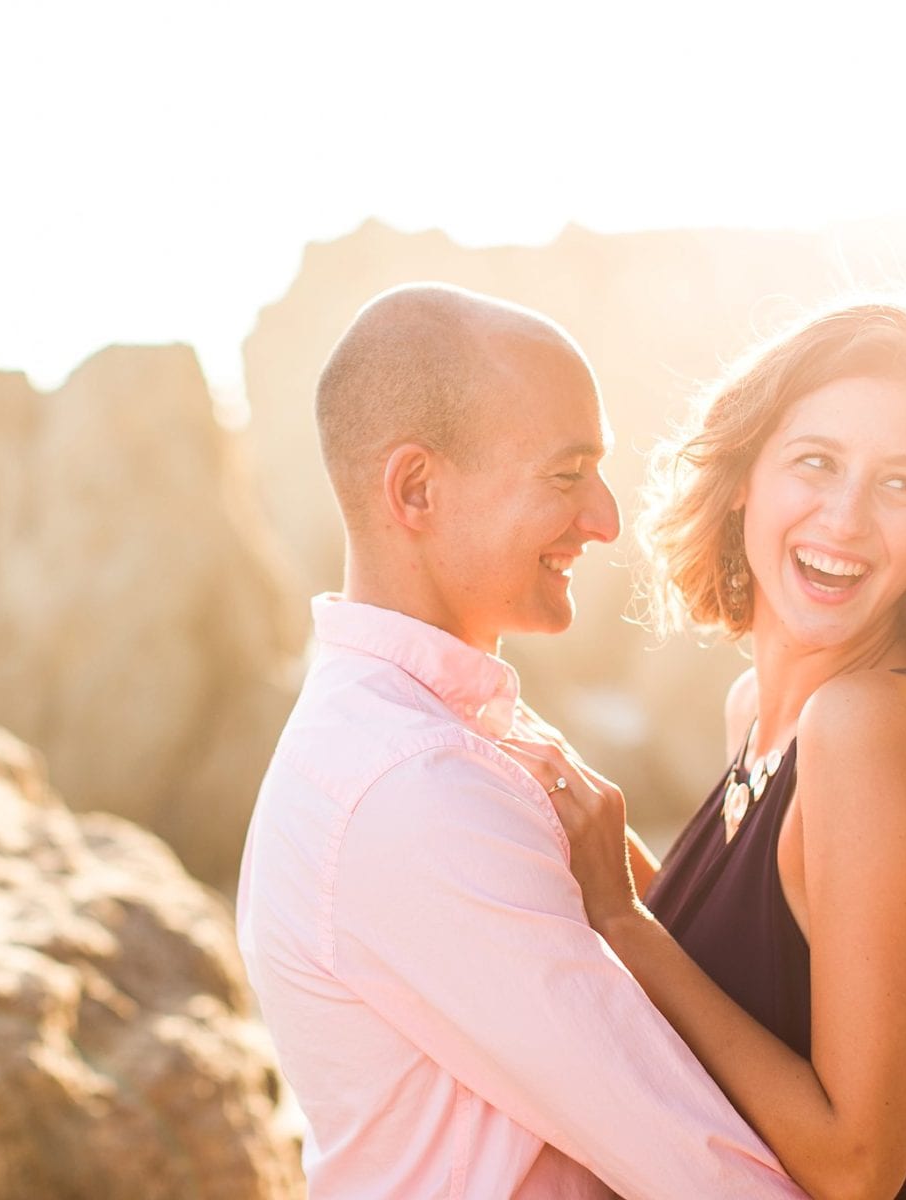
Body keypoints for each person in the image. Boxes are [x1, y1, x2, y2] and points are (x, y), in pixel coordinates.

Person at [236, 283, 807, 1198]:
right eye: (565, 473)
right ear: (416, 490)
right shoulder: (411, 785)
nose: (606, 519)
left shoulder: (443, 729)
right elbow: (707, 1167)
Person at [505, 301, 906, 1200]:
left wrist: (625, 921)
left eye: (901, 484)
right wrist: (616, 867)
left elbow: (856, 1165)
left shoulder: (868, 727)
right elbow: (758, 983)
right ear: (747, 475)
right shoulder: (755, 711)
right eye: (817, 463)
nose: (845, 518)